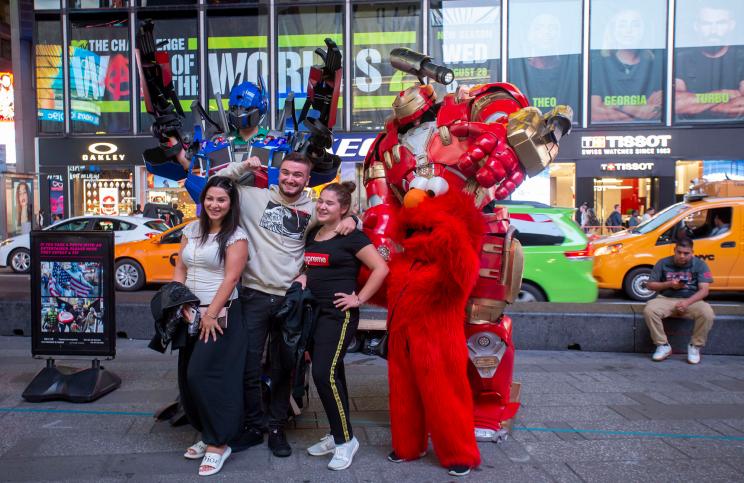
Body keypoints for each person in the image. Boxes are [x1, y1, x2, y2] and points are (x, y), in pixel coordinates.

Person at [218, 152, 357, 458]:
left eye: (298, 175)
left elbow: (343, 210)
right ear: (277, 174)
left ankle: (277, 427)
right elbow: (217, 185)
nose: (291, 179)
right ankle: (254, 425)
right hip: (254, 294)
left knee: (284, 368)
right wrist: (243, 165)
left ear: (308, 180)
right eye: (286, 173)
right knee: (248, 365)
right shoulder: (253, 197)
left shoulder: (313, 206)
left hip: (290, 299)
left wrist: (352, 218)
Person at [296, 182, 388, 471]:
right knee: (333, 375)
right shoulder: (313, 233)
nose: (323, 206)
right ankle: (338, 432)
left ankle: (346, 441)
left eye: (330, 203)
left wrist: (358, 298)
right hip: (314, 313)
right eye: (321, 201)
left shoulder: (352, 236)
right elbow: (309, 266)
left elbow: (381, 268)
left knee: (323, 374)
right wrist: (302, 277)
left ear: (344, 209)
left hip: (339, 315)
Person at [173, 176, 249, 476]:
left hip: (220, 317)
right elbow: (180, 269)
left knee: (206, 377)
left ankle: (220, 443)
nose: (214, 204)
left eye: (221, 200)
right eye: (210, 198)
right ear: (202, 200)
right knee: (187, 380)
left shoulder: (236, 236)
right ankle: (208, 433)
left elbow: (231, 279)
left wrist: (210, 314)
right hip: (189, 315)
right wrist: (178, 304)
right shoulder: (191, 230)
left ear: (230, 205)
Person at [643, 238, 715, 364]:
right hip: (666, 299)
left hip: (691, 300)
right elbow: (650, 285)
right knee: (650, 309)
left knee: (707, 313)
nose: (682, 256)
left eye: (686, 253)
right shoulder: (663, 263)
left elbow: (704, 291)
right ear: (674, 250)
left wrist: (687, 303)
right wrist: (669, 284)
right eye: (679, 252)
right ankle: (663, 345)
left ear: (692, 252)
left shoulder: (700, 265)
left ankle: (695, 346)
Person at [590, 8, 663, 122]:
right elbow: (594, 114)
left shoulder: (655, 66)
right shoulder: (598, 65)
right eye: (622, 25)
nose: (628, 31)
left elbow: (656, 112)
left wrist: (615, 107)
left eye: (635, 25)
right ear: (613, 30)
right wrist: (637, 111)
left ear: (644, 31)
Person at [675, 1, 744, 121]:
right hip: (689, 133)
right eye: (706, 24)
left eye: (720, 23)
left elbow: (742, 105)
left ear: (731, 25)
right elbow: (676, 104)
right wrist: (724, 95)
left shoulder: (741, 58)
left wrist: (696, 106)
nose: (713, 31)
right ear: (697, 26)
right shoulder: (681, 59)